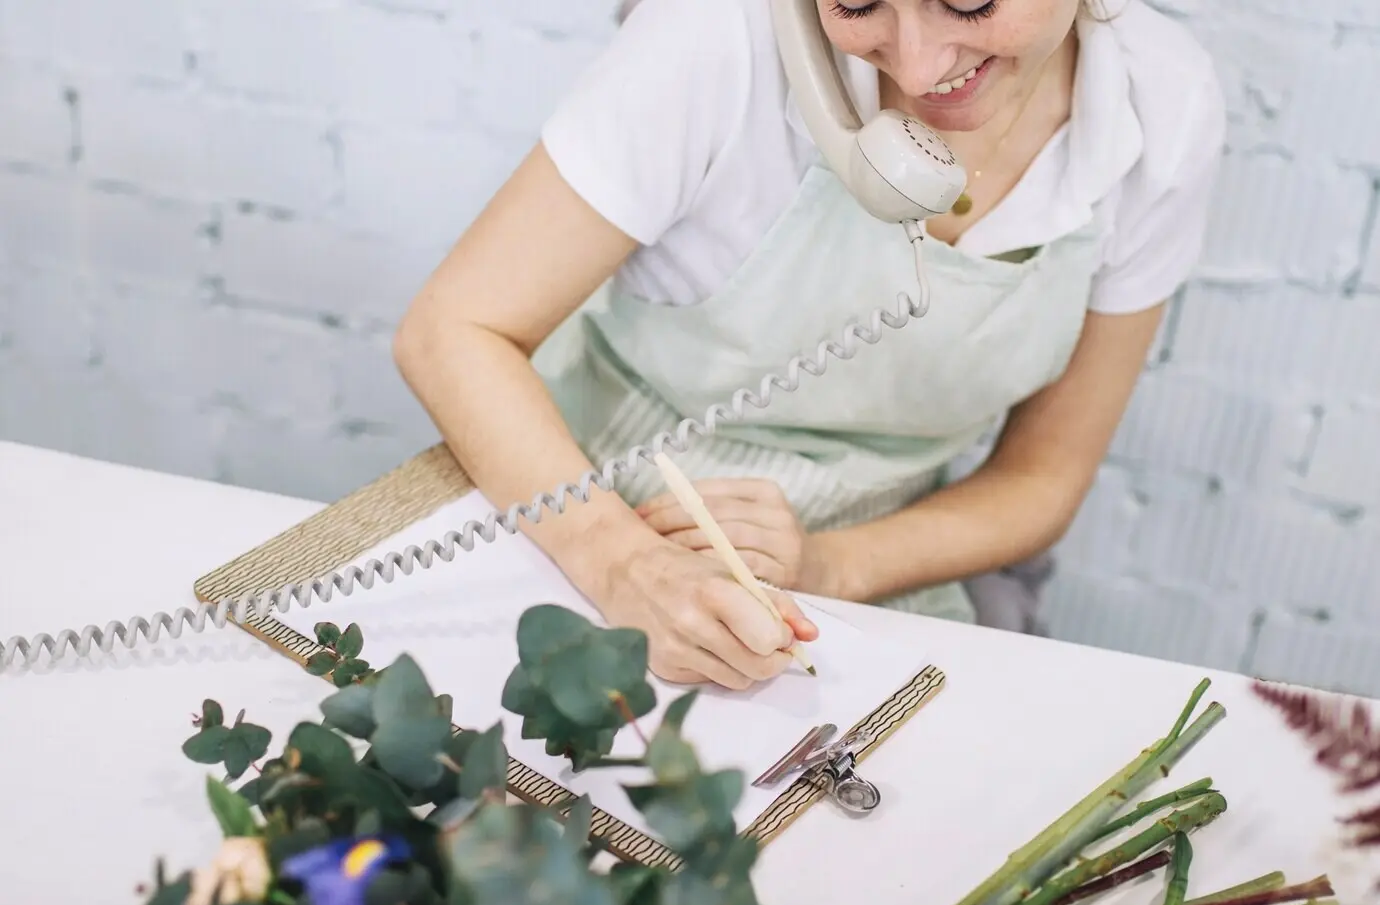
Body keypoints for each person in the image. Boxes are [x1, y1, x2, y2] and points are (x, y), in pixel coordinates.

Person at [392, 0, 1225, 689]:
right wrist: (620, 563)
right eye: (858, 4)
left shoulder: (1163, 105)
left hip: (881, 562)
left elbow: (1044, 477)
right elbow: (451, 330)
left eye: (969, 1)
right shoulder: (714, 35)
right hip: (588, 512)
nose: (920, 64)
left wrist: (828, 568)